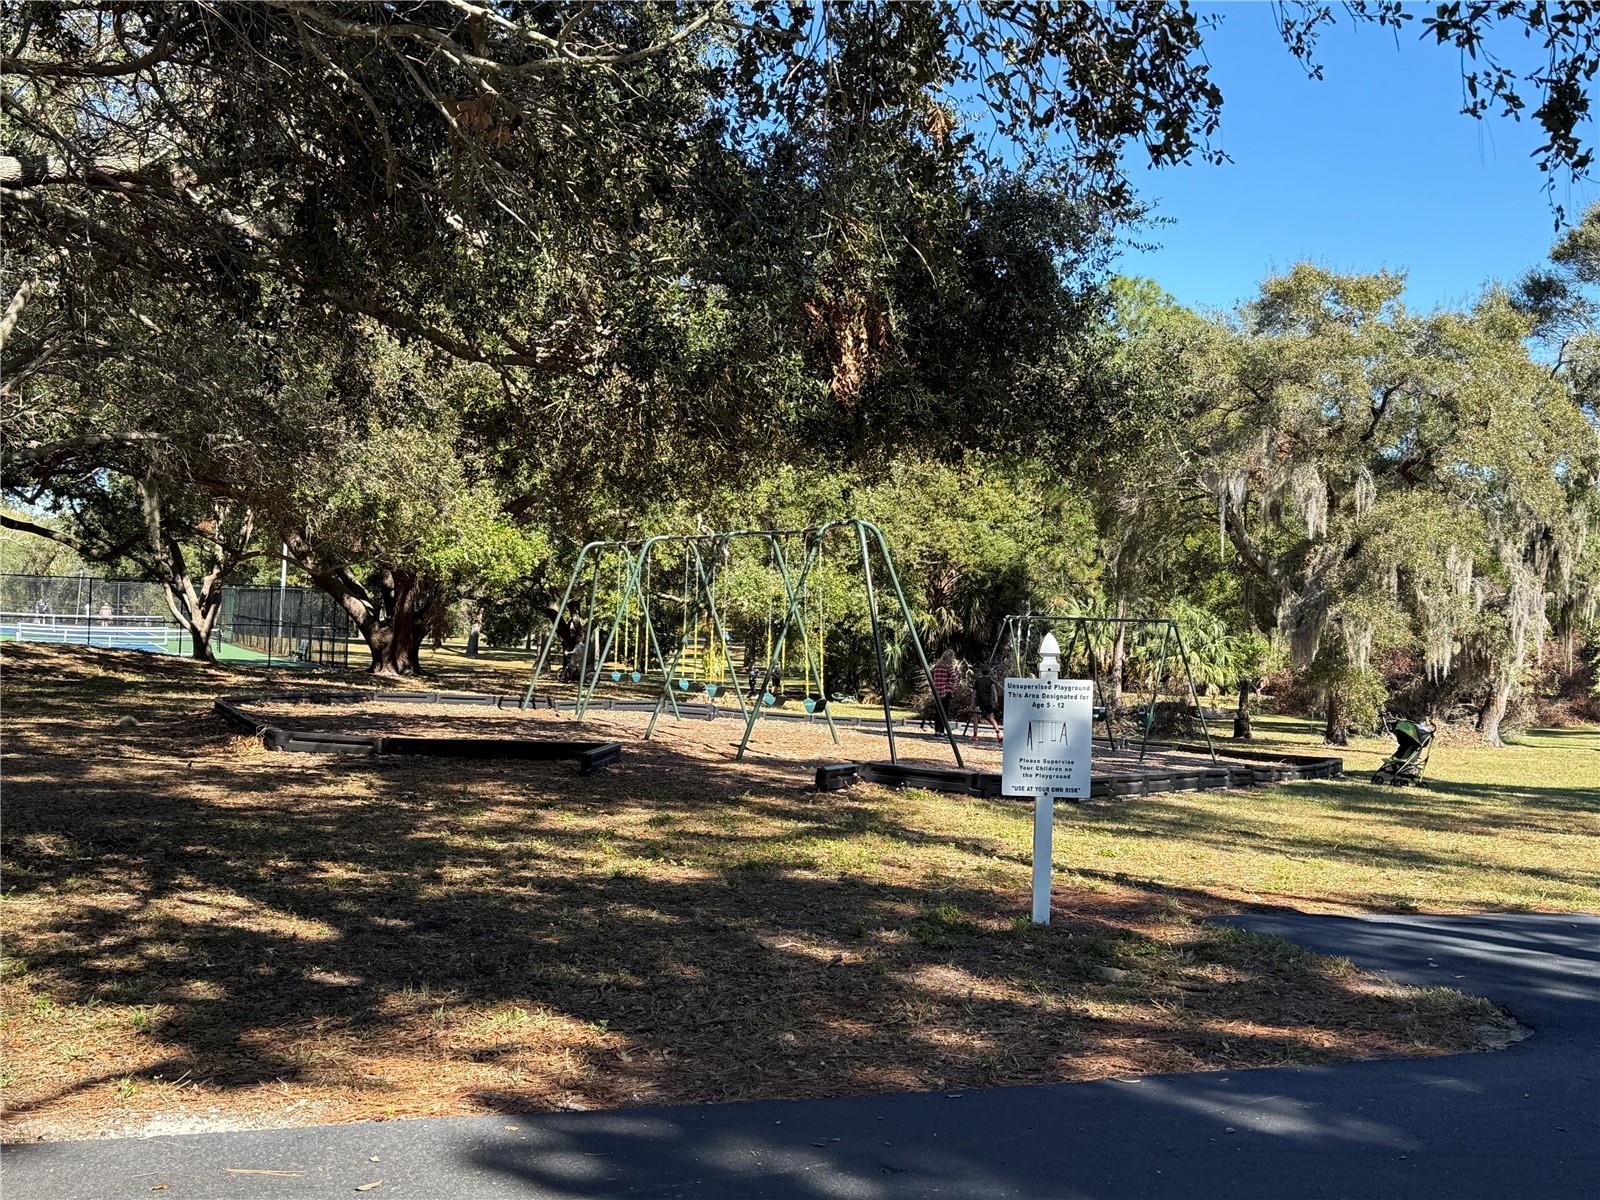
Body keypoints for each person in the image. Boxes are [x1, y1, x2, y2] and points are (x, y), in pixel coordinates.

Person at [972, 664, 1002, 744]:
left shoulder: (978, 681)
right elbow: (994, 691)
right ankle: (998, 732)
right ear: (989, 672)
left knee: (976, 717)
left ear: (981, 672)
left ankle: (975, 735)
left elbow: (974, 693)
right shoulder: (990, 681)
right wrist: (996, 700)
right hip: (988, 702)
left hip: (979, 702)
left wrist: (972, 703)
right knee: (991, 717)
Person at [931, 649, 959, 734]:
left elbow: (932, 675)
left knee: (937, 711)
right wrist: (949, 685)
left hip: (937, 691)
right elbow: (954, 676)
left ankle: (937, 731)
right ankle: (942, 730)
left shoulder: (937, 666)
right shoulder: (949, 666)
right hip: (946, 691)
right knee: (944, 712)